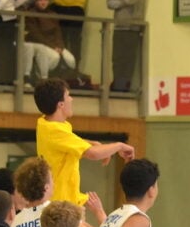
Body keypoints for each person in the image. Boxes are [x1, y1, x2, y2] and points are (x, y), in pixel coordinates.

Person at [34, 77, 135, 207]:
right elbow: (92, 154)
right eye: (68, 96)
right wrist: (119, 145)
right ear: (61, 105)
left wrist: (93, 144)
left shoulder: (45, 123)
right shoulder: (54, 129)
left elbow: (70, 144)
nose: (71, 99)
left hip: (66, 201)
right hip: (60, 206)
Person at [23, 0, 76, 85]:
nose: (43, 2)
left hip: (55, 44)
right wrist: (53, 46)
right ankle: (41, 79)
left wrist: (60, 46)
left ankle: (62, 81)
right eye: (40, 0)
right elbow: (36, 35)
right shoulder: (31, 14)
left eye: (45, 0)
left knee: (70, 59)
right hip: (41, 43)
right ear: (36, 1)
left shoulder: (53, 14)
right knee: (54, 57)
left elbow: (58, 33)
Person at [106, 0, 146, 92]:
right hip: (118, 26)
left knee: (127, 61)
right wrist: (122, 3)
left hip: (132, 27)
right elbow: (109, 3)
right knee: (116, 59)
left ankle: (123, 87)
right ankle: (117, 84)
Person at [0, 0, 30, 85]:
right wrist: (12, 6)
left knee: (0, 51)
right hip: (11, 18)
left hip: (1, 18)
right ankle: (9, 80)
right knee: (9, 50)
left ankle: (0, 81)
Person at [50, 0, 89, 70]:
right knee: (58, 38)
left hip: (76, 8)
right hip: (57, 7)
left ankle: (74, 69)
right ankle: (58, 67)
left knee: (74, 40)